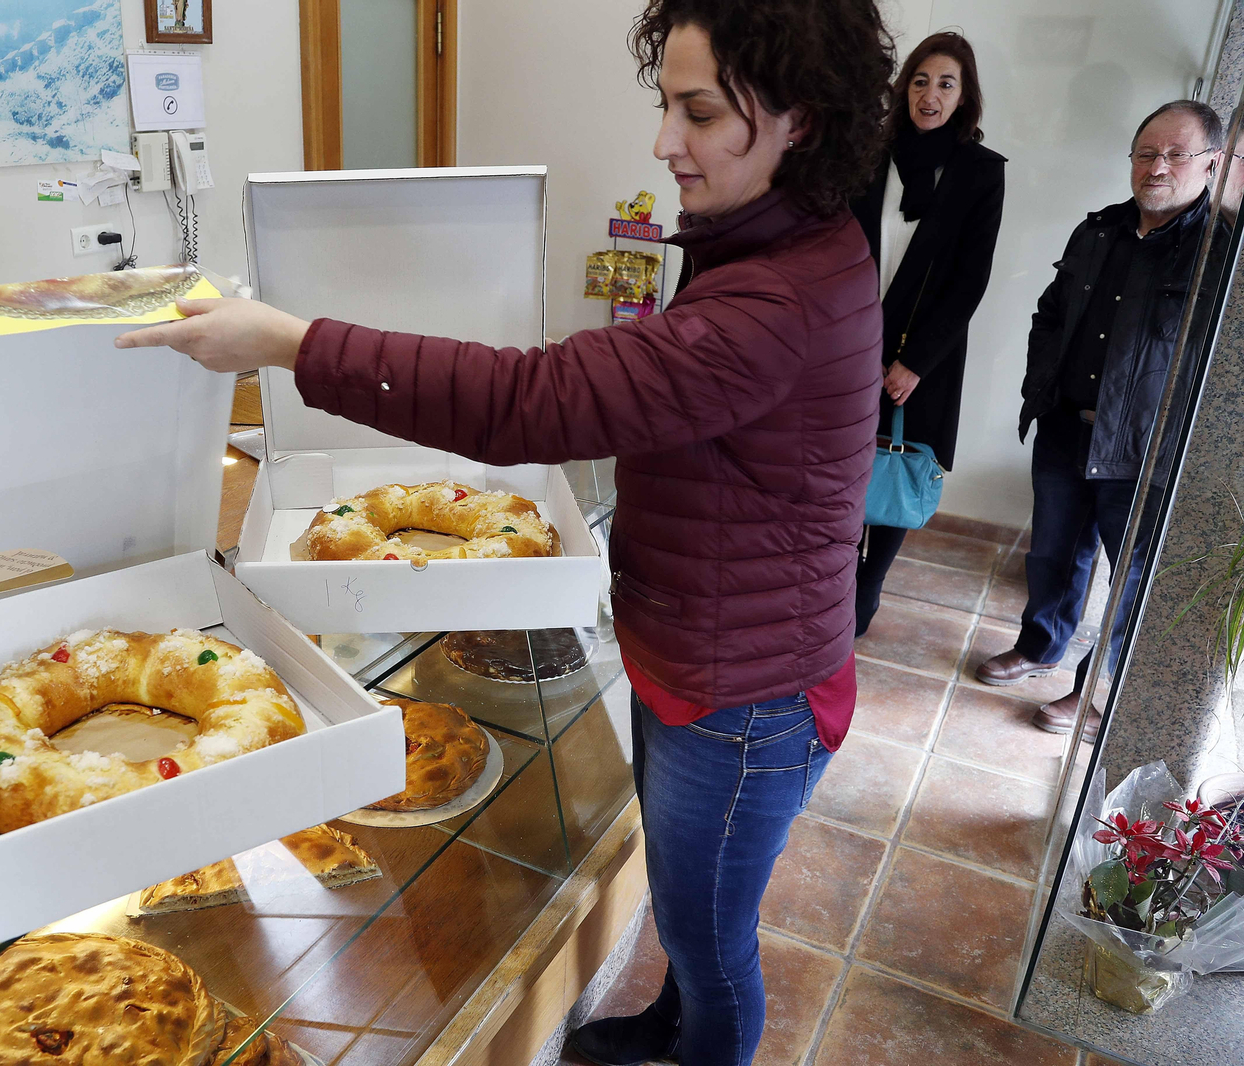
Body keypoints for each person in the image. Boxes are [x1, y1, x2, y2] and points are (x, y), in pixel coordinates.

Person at [115, 3, 895, 1062]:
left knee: (713, 938)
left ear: (799, 116)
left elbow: (531, 402)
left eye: (700, 113)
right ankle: (671, 1021)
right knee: (688, 909)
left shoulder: (775, 302)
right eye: (668, 105)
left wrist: (291, 343)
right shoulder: (790, 238)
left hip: (747, 696)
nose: (664, 141)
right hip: (707, 656)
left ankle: (700, 1033)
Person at [977, 100, 1224, 742]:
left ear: (1212, 164)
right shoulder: (1098, 229)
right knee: (1053, 552)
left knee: (1131, 574)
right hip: (1066, 426)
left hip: (1144, 444)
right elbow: (1050, 314)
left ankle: (1098, 691)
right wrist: (1040, 387)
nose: (1157, 167)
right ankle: (1039, 647)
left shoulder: (1220, 251)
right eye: (1146, 153)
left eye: (1176, 154)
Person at [850, 31, 1006, 636]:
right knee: (842, 458)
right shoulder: (869, 155)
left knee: (901, 460)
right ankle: (838, 573)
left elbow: (970, 279)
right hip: (852, 337)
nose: (930, 95)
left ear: (964, 96)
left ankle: (870, 582)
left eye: (945, 83)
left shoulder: (980, 173)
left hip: (923, 351)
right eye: (919, 81)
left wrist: (915, 361)